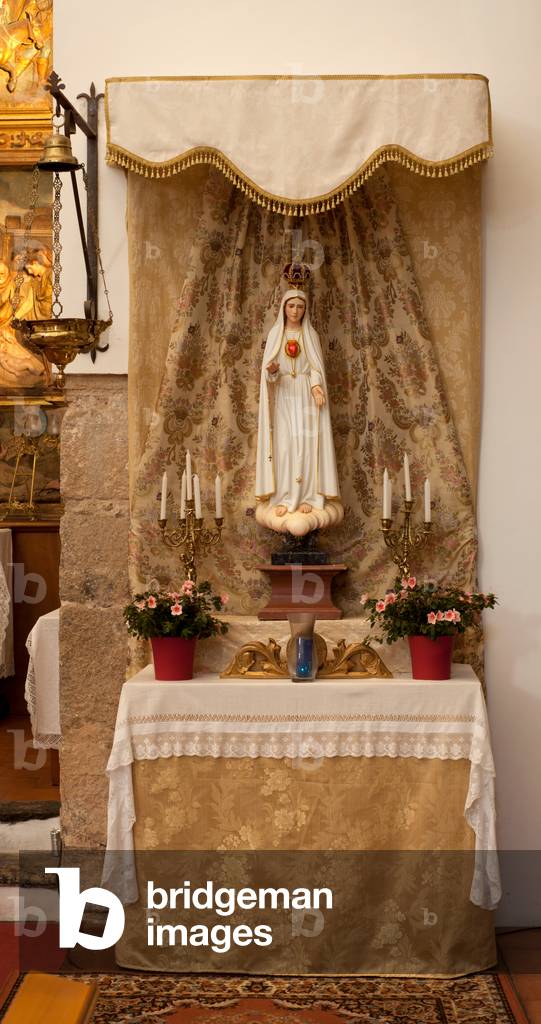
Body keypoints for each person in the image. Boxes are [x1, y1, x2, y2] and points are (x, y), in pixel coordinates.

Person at [255, 287, 340, 521]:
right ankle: (283, 497)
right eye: (291, 306)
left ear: (305, 310)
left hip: (306, 397)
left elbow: (315, 367)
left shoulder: (310, 336)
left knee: (306, 443)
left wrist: (315, 386)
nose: (295, 311)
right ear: (284, 308)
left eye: (300, 306)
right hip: (284, 395)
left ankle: (307, 497)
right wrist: (271, 371)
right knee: (285, 445)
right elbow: (269, 374)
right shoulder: (276, 335)